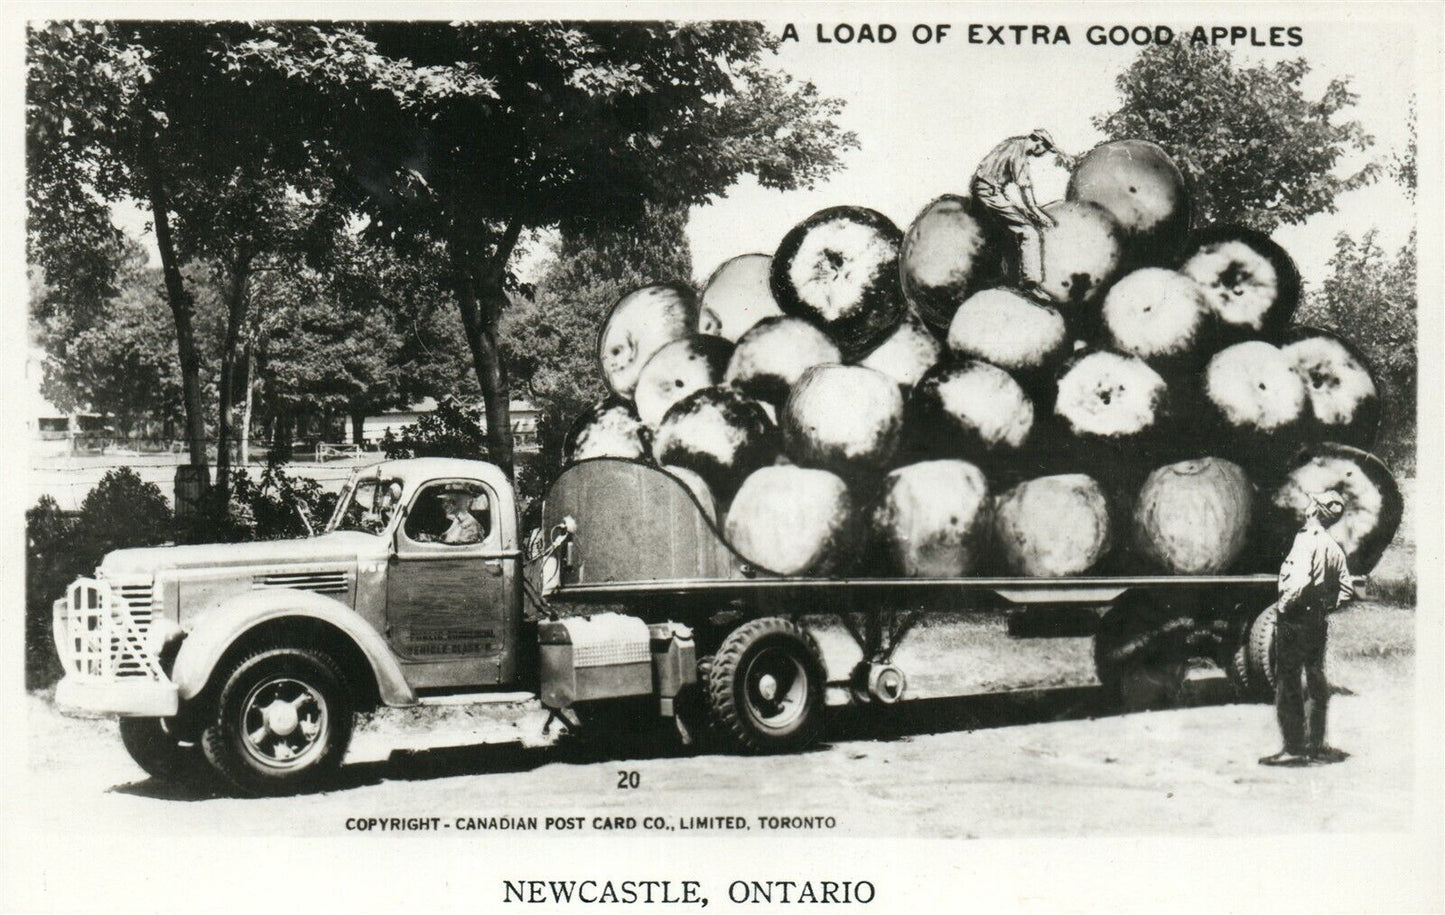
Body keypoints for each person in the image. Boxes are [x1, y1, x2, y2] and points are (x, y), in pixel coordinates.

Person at [1259, 490, 1353, 767]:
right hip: (1316, 620)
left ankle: (1293, 748)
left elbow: (1298, 583)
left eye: (1312, 502)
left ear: (1315, 510)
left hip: (1295, 618)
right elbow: (1346, 589)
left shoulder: (1305, 540)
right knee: (1315, 678)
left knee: (1288, 680)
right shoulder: (1333, 546)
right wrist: (1325, 607)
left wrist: (1284, 607)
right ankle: (1315, 746)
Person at [971, 129, 1076, 288]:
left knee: (1014, 226)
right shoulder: (1019, 155)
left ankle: (1010, 278)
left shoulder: (1012, 143)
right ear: (1038, 142)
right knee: (1029, 232)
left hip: (986, 188)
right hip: (989, 192)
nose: (1042, 153)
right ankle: (1031, 283)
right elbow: (1026, 191)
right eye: (1044, 149)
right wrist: (1039, 215)